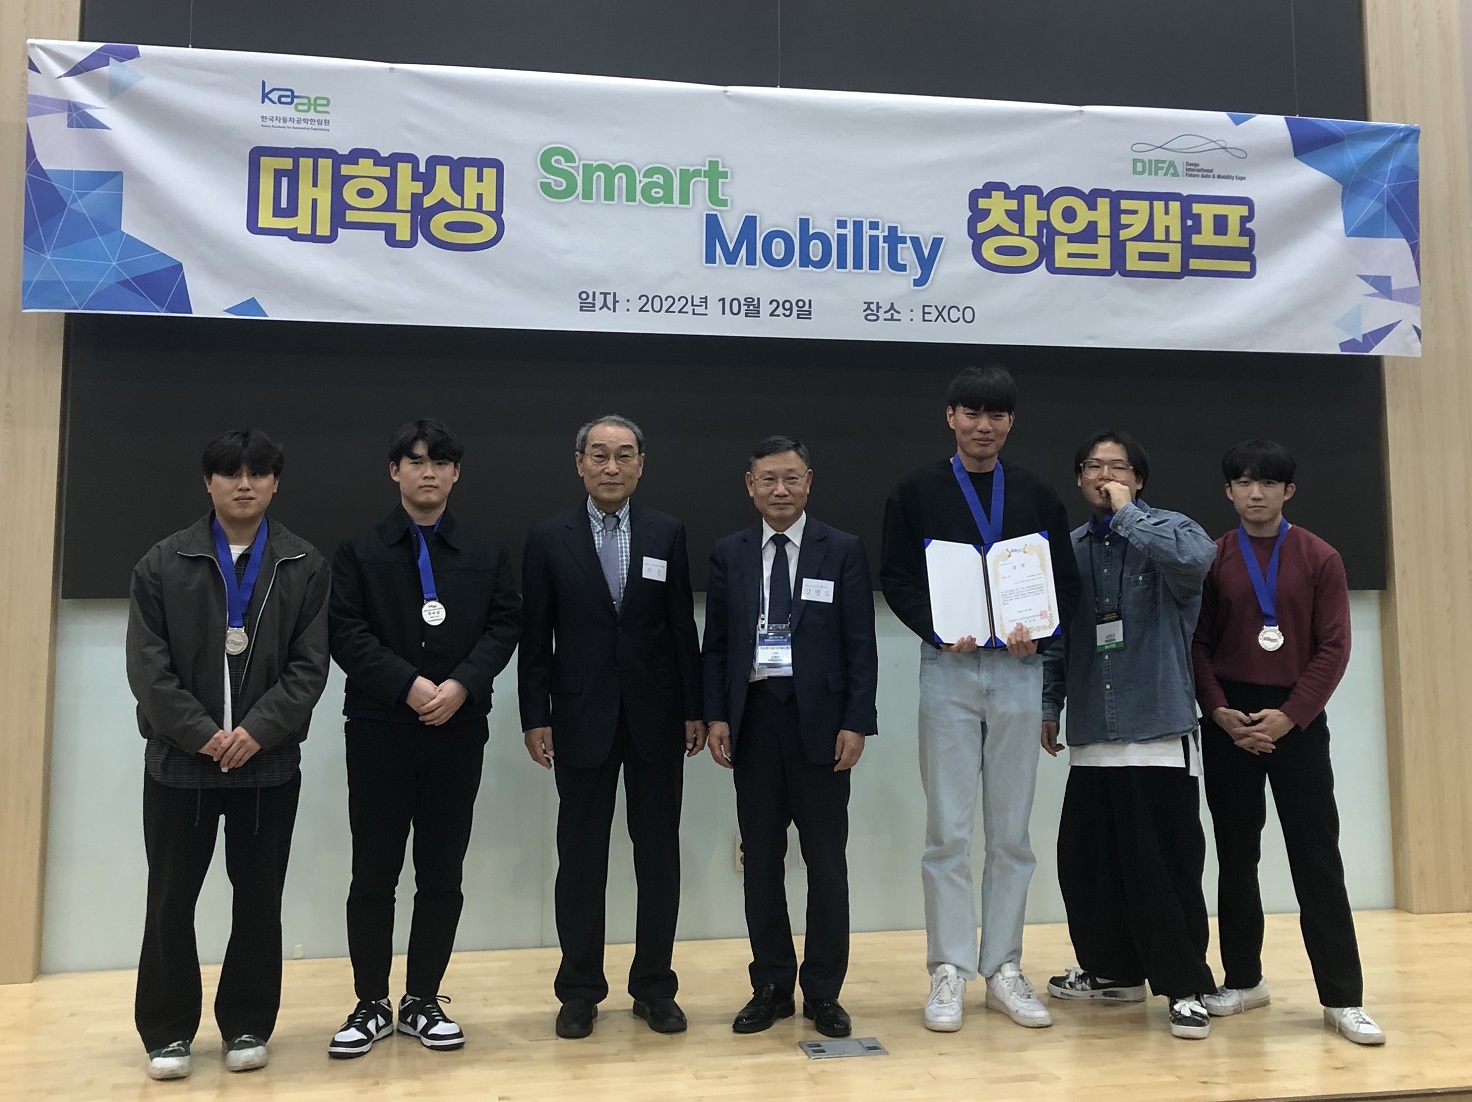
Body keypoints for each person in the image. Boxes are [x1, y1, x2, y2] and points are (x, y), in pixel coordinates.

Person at [880, 364, 1080, 1033]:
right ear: (951, 417)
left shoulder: (1037, 493)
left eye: (996, 415)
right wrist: (938, 628)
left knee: (1012, 831)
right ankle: (948, 968)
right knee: (949, 830)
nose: (983, 426)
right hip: (950, 667)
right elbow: (897, 578)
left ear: (1011, 422)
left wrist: (1040, 632)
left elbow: (1063, 585)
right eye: (971, 413)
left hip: (1019, 670)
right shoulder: (916, 490)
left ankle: (1004, 968)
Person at [126, 429, 330, 1081]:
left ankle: (246, 1023)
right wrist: (202, 734)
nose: (245, 484)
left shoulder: (303, 563)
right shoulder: (163, 562)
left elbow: (309, 667)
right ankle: (167, 1031)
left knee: (259, 899)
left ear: (275, 483)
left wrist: (257, 731)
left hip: (266, 764)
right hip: (180, 763)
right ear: (207, 483)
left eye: (258, 473)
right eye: (231, 473)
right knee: (170, 900)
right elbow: (148, 669)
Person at [326, 419, 521, 1058]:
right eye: (414, 461)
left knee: (442, 870)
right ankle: (369, 1003)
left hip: (457, 730)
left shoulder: (485, 550)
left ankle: (422, 1000)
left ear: (456, 473)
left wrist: (461, 685)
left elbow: (504, 625)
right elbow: (346, 631)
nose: (427, 471)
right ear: (395, 471)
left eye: (440, 462)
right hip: (380, 728)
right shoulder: (359, 549)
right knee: (373, 871)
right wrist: (406, 685)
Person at [519, 415, 704, 1039]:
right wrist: (535, 716)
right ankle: (579, 991)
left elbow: (681, 627)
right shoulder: (549, 537)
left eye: (624, 455)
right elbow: (535, 637)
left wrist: (694, 708)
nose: (611, 467)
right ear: (579, 464)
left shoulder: (665, 532)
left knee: (658, 858)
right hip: (579, 717)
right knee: (579, 859)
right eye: (599, 455)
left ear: (641, 465)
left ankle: (654, 987)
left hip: (656, 718)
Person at [1192, 440, 1383, 1045]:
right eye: (1244, 483)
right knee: (1235, 854)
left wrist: (1292, 715)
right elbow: (1197, 643)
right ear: (1228, 491)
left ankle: (1343, 998)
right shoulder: (1213, 557)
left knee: (1316, 856)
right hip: (1230, 721)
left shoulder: (1320, 557)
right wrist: (1219, 711)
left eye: (1268, 483)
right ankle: (1243, 980)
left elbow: (1334, 647)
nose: (1256, 493)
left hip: (1296, 720)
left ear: (1288, 491)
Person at [1041, 430, 1218, 1040]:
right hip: (1092, 733)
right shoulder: (1068, 550)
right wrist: (1049, 706)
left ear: (1138, 479)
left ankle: (1186, 987)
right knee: (1087, 868)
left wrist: (1127, 515)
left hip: (1157, 731)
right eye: (1093, 466)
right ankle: (1112, 971)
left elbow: (1196, 564)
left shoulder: (1171, 532)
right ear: (1078, 478)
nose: (1104, 476)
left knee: (1163, 870)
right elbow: (1057, 640)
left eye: (1117, 468)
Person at [703, 436, 879, 1039]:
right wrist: (717, 715)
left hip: (823, 726)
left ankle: (824, 991)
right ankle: (772, 985)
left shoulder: (842, 549)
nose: (780, 490)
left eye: (792, 478)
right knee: (760, 861)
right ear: (750, 485)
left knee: (826, 861)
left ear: (809, 482)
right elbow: (717, 644)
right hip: (754, 721)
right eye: (768, 480)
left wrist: (857, 721)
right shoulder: (729, 552)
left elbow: (861, 644)